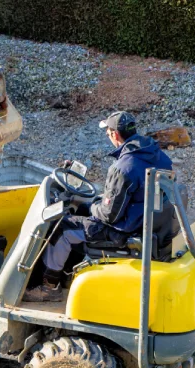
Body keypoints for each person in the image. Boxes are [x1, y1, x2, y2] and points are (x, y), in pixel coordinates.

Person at [23, 111, 173, 302]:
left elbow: (109, 215)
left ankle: (49, 287)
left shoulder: (123, 167)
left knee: (62, 228)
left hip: (125, 231)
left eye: (108, 132)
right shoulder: (158, 155)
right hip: (147, 223)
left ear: (115, 135)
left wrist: (95, 204)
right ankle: (68, 275)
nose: (107, 135)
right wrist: (96, 204)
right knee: (84, 211)